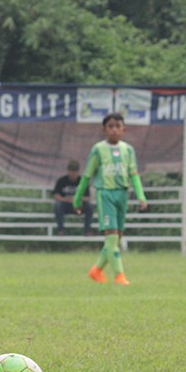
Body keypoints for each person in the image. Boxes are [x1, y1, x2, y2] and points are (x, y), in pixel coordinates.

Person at [74, 112, 148, 285]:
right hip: (105, 194)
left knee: (116, 238)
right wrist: (77, 199)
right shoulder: (98, 150)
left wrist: (141, 196)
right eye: (110, 126)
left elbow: (134, 174)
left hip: (122, 194)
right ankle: (119, 276)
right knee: (112, 237)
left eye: (117, 126)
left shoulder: (128, 150)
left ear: (124, 129)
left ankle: (96, 270)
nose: (114, 130)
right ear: (104, 129)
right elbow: (87, 176)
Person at [52, 160, 94, 236]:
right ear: (67, 170)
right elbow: (55, 194)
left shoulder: (82, 181)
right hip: (66, 206)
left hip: (78, 207)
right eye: (71, 171)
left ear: (78, 171)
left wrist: (77, 199)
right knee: (58, 205)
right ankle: (61, 230)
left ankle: (87, 231)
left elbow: (88, 198)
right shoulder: (61, 181)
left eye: (75, 171)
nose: (73, 173)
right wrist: (65, 199)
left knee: (89, 207)